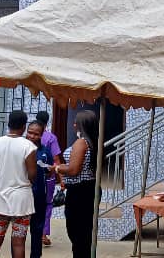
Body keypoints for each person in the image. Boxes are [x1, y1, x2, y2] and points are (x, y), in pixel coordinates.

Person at [0, 110, 38, 258]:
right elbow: (32, 175)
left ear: (8, 123)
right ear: (24, 126)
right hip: (21, 202)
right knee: (18, 243)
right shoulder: (28, 147)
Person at [54, 110, 99, 258]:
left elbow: (73, 170)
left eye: (76, 122)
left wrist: (57, 168)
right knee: (84, 232)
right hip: (88, 188)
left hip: (80, 191)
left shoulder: (81, 143)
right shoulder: (94, 141)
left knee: (76, 231)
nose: (73, 125)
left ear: (82, 125)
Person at [26, 120, 55, 258]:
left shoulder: (45, 151)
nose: (32, 136)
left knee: (37, 229)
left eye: (36, 134)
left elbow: (49, 171)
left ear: (42, 135)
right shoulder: (21, 148)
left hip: (38, 195)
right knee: (19, 230)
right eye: (30, 132)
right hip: (22, 194)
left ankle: (36, 255)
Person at [34, 111, 63, 247]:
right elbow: (56, 160)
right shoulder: (51, 138)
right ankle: (43, 234)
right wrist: (62, 179)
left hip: (32, 176)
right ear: (47, 123)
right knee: (47, 204)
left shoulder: (29, 136)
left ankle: (35, 232)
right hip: (47, 178)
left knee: (34, 204)